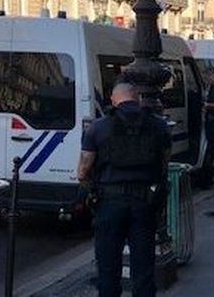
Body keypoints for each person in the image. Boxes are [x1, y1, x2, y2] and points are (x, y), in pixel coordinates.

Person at [78, 81, 172, 296]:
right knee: (144, 265)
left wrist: (90, 186)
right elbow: (164, 161)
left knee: (108, 266)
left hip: (110, 202)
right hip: (145, 202)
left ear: (113, 99)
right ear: (137, 98)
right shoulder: (157, 125)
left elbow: (84, 169)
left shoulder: (99, 127)